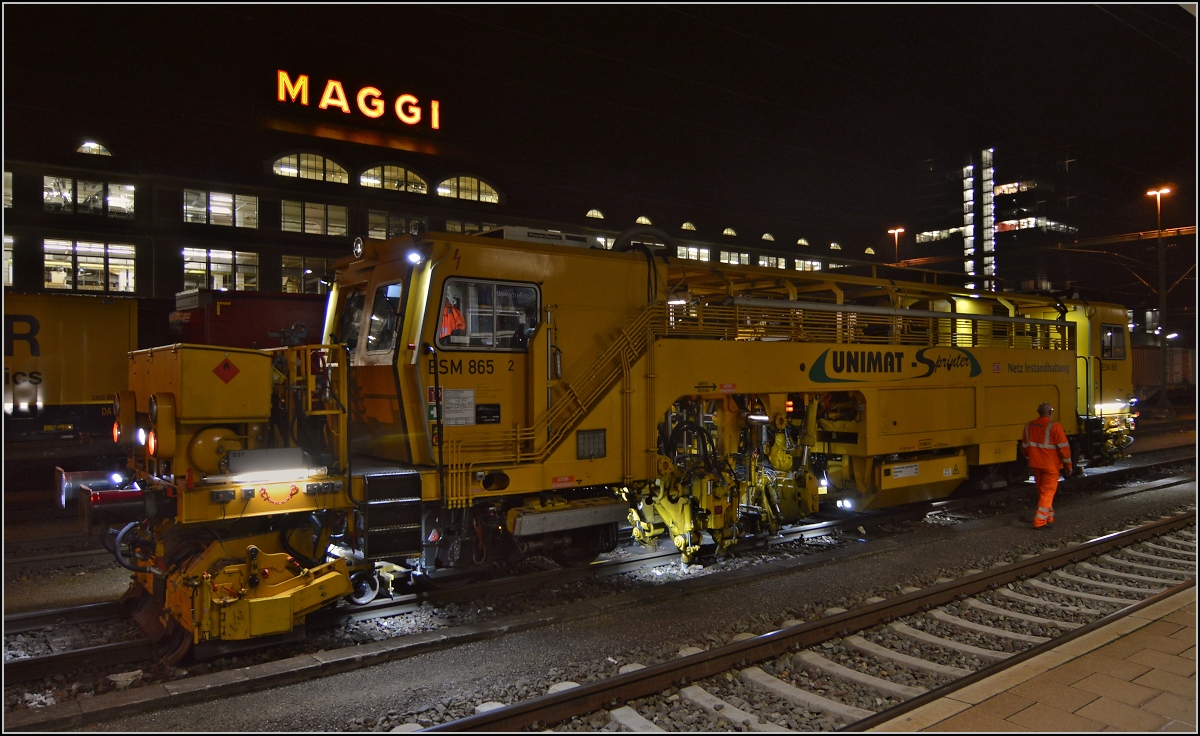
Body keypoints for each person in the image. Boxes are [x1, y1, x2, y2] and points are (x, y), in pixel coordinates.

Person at [1021, 402, 1073, 529]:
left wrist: (1031, 458)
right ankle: (1039, 521)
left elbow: (1024, 447)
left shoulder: (1029, 426)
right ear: (1050, 412)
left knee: (1043, 492)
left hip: (1036, 464)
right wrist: (1068, 465)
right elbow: (1064, 448)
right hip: (1050, 466)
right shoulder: (1054, 426)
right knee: (1047, 493)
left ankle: (1048, 517)